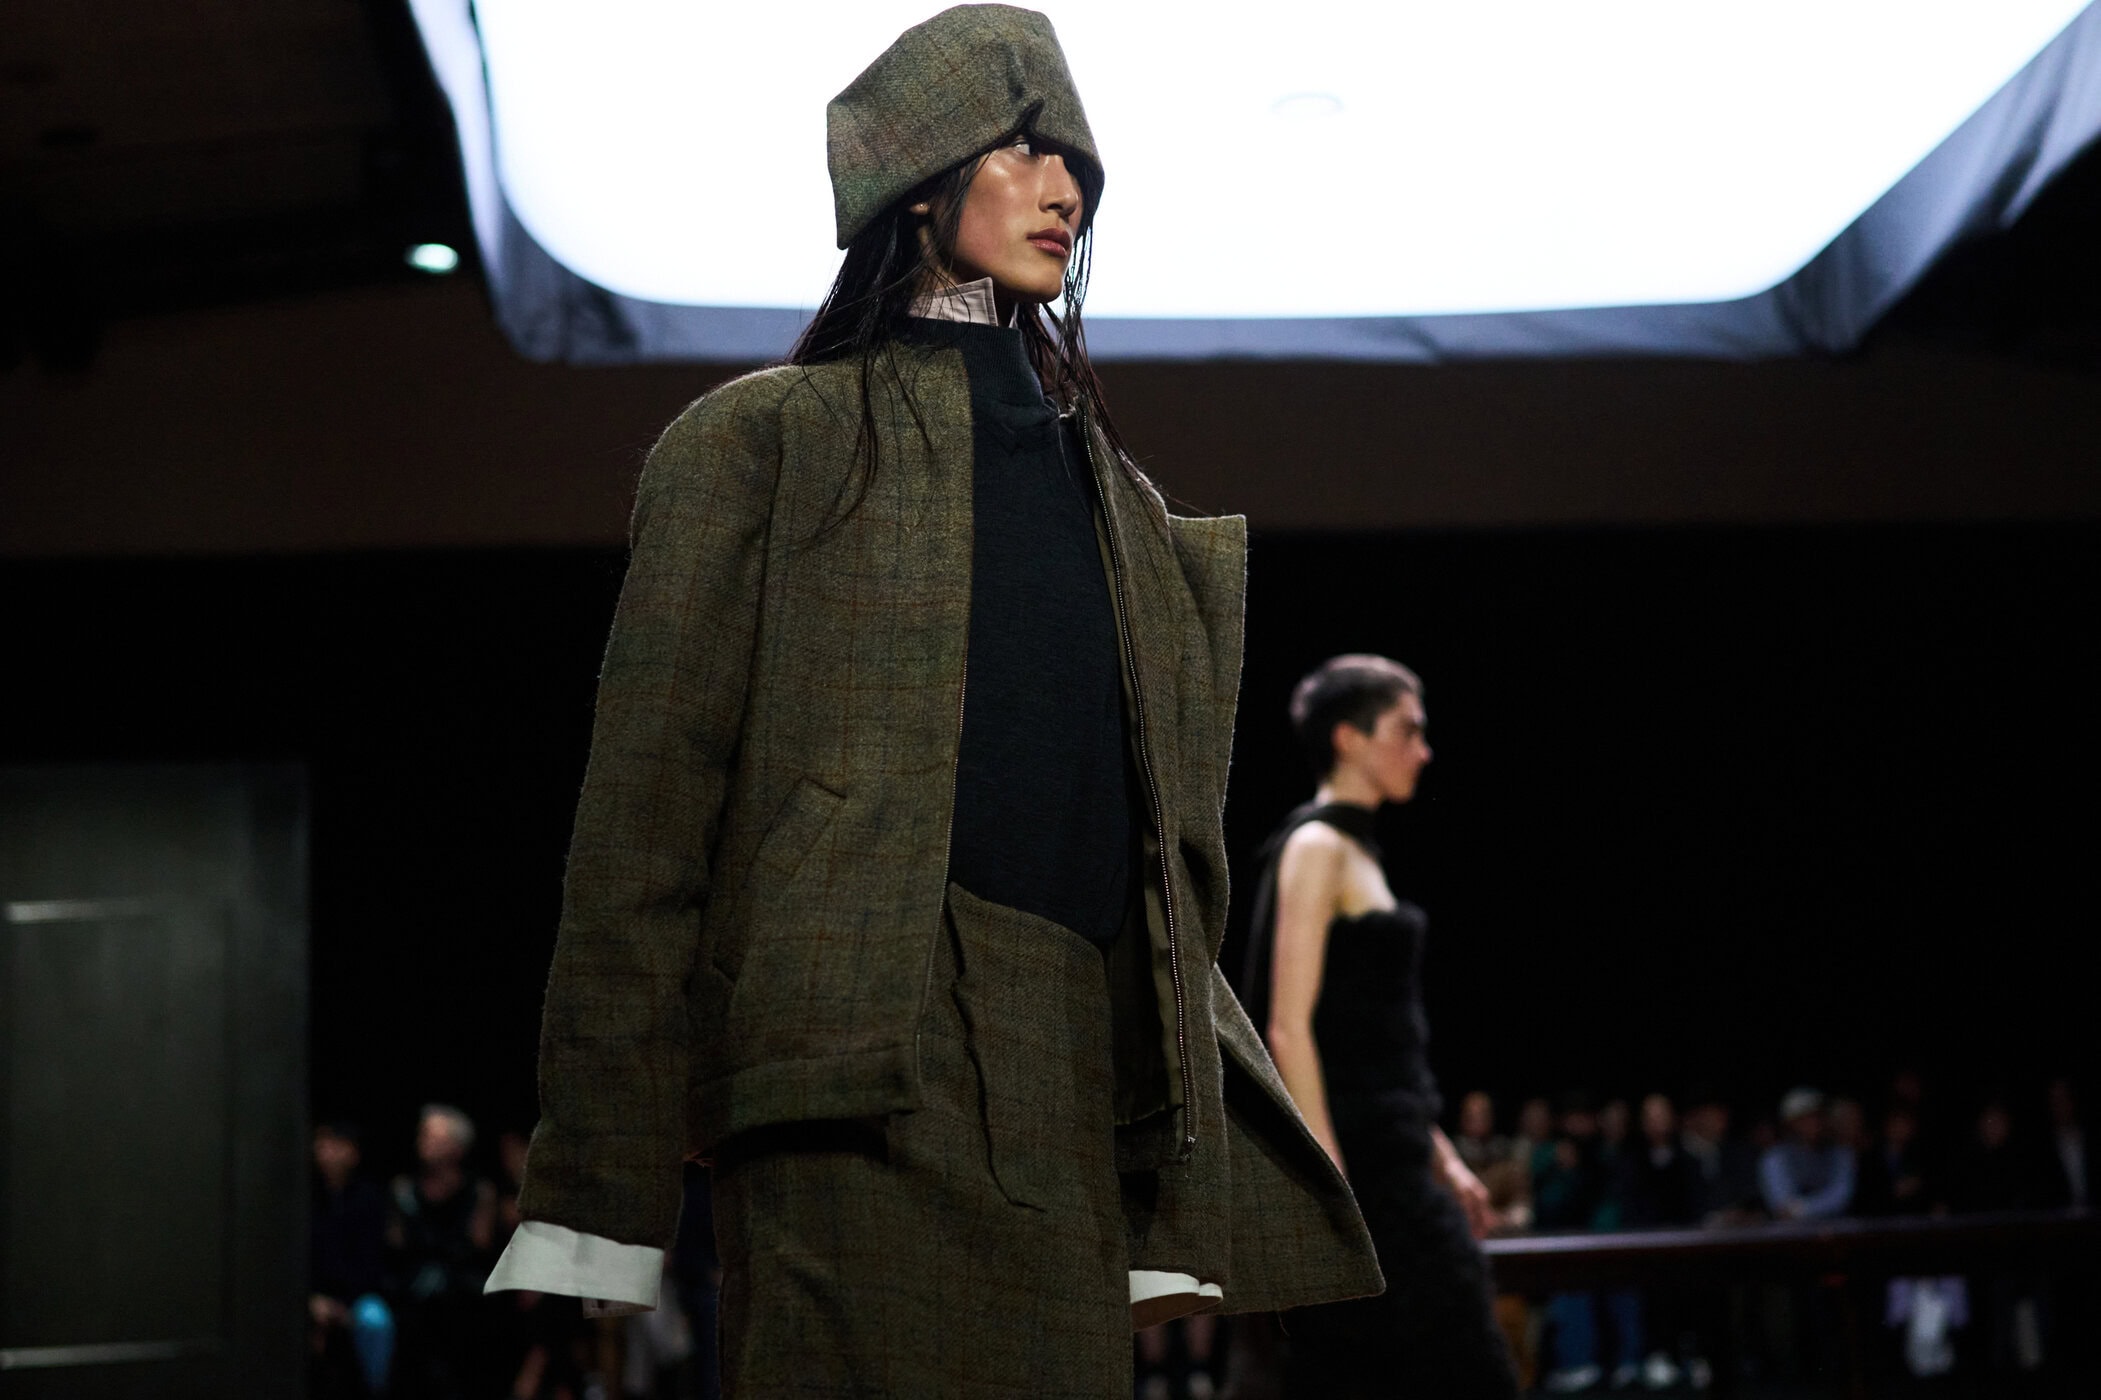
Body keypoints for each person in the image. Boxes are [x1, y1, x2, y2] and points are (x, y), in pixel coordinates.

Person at [482, 9, 1380, 1395]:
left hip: (1068, 1073)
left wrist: (1168, 1123)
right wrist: (598, 1178)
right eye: (1022, 150)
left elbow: (1148, 847)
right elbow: (643, 829)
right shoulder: (762, 445)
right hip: (848, 1067)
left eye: (1075, 163)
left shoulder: (1122, 506)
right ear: (916, 174)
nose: (1062, 189)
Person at [1239, 654, 1519, 1398]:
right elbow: (1287, 1026)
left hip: (1391, 1159)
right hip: (1362, 1171)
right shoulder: (1316, 847)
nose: (1423, 751)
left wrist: (1442, 1157)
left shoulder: (1356, 850)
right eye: (1407, 730)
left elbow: (1370, 1043)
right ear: (1349, 738)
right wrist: (1330, 1182)